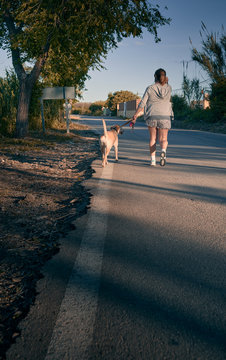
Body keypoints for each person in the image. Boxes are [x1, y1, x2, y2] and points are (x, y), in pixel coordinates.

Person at [131, 68, 174, 166]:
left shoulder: (150, 88)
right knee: (163, 139)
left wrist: (135, 115)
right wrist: (167, 82)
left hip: (152, 115)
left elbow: (142, 103)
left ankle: (153, 160)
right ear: (165, 77)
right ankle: (163, 151)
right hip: (165, 116)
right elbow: (166, 85)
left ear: (155, 77)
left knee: (153, 138)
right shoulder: (169, 88)